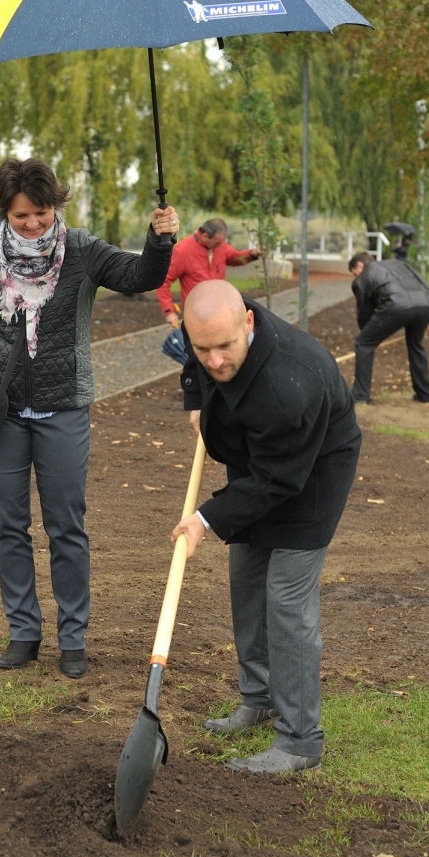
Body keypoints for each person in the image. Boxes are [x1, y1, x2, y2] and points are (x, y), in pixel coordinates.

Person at [0, 157, 179, 679]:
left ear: (55, 207)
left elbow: (140, 277)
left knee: (66, 526)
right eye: (22, 216)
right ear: (5, 211)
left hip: (62, 405)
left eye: (42, 213)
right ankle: (23, 632)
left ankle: (73, 637)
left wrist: (160, 240)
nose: (33, 225)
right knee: (9, 526)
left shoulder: (84, 251)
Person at [172, 280, 361, 774]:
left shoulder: (287, 387)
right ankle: (258, 699)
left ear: (248, 324)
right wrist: (196, 397)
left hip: (311, 472)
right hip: (262, 461)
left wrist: (204, 520)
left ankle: (300, 741)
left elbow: (278, 480)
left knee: (286, 600)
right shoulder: (213, 335)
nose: (213, 361)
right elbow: (196, 365)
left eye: (224, 348)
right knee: (247, 580)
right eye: (202, 348)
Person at [348, 250, 429, 404]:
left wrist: (370, 336)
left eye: (354, 272)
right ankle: (424, 394)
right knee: (415, 344)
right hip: (424, 304)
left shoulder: (362, 279)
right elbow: (425, 286)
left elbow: (364, 311)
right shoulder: (400, 263)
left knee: (363, 344)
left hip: (395, 306)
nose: (355, 276)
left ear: (359, 264)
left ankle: (360, 396)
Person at [156, 217, 260, 329]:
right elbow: (163, 280)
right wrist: (169, 311)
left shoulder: (221, 246)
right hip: (197, 315)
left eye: (222, 242)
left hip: (221, 310)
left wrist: (252, 254)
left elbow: (234, 257)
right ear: (205, 236)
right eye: (216, 243)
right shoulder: (183, 251)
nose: (220, 246)